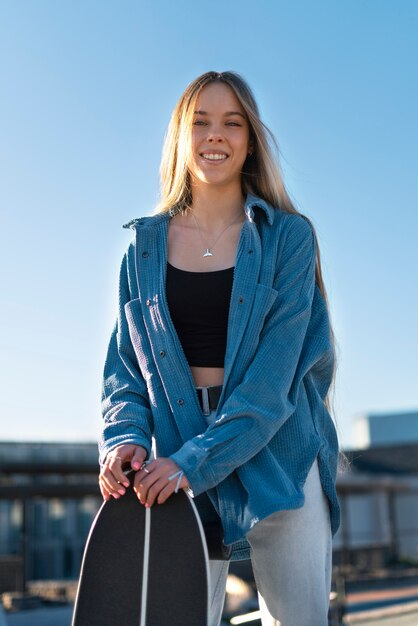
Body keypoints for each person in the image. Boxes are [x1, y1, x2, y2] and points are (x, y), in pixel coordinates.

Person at [98, 70, 340, 626]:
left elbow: (272, 380)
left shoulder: (289, 239)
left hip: (279, 454)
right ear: (181, 135)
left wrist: (193, 463)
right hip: (175, 458)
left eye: (232, 123)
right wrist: (128, 439)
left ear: (250, 140)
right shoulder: (142, 250)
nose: (216, 135)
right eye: (200, 121)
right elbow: (124, 371)